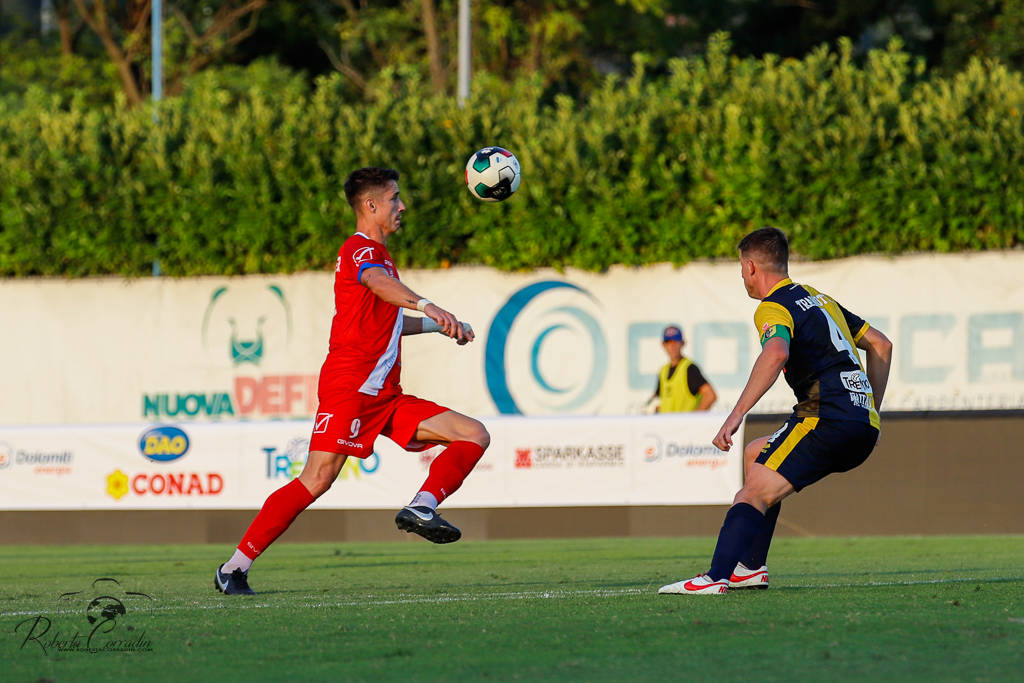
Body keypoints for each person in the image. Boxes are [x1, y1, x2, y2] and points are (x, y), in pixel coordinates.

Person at [215, 167, 490, 596]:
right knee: (317, 479)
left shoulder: (383, 259)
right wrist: (430, 305)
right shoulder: (360, 249)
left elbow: (387, 320)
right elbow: (379, 285)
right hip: (350, 388)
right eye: (395, 198)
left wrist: (439, 326)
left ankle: (421, 507)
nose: (402, 206)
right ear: (371, 205)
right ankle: (234, 567)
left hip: (385, 396)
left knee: (473, 434)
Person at [658, 226, 892, 594]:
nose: (742, 276)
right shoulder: (818, 298)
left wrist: (734, 416)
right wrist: (871, 412)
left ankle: (715, 577)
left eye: (740, 268)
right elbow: (881, 344)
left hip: (824, 418)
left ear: (751, 267)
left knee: (751, 493)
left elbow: (776, 352)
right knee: (756, 456)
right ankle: (750, 567)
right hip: (859, 425)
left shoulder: (773, 307)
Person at [650, 325, 717, 412]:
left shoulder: (689, 368)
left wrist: (693, 419)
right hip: (666, 425)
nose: (672, 346)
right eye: (669, 342)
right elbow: (660, 400)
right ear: (663, 345)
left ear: (682, 343)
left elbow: (710, 396)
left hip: (683, 425)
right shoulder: (663, 370)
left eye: (675, 342)